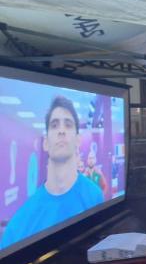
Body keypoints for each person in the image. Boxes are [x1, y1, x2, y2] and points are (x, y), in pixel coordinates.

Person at [1, 96, 103, 248]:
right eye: (54, 125)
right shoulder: (19, 224)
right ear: (46, 143)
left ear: (78, 140)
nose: (61, 131)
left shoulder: (94, 196)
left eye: (68, 125)